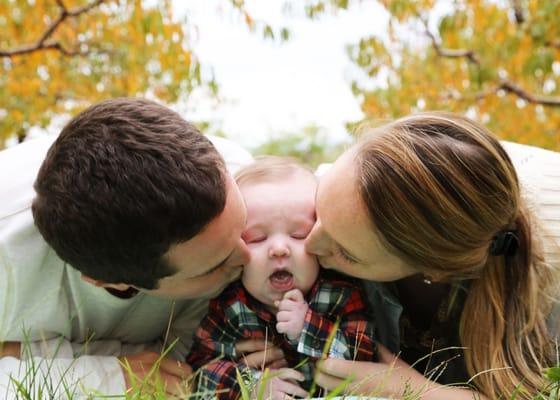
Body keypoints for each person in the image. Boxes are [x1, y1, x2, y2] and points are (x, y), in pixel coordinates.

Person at [0, 98, 279, 397]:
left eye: (245, 227)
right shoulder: (7, 260)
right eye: (216, 265)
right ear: (110, 282)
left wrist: (23, 355)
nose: (247, 256)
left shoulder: (241, 176)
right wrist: (110, 378)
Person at [305, 111, 560, 399]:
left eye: (346, 253)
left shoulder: (550, 279)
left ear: (436, 270)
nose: (308, 244)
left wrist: (412, 390)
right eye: (315, 211)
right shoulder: (322, 187)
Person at [186, 157, 377, 400]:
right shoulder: (230, 304)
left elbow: (366, 357)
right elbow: (198, 367)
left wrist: (307, 326)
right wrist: (249, 385)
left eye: (298, 235)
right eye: (256, 238)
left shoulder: (340, 294)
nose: (279, 249)